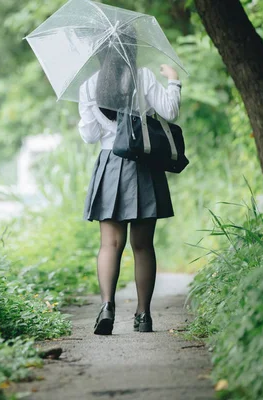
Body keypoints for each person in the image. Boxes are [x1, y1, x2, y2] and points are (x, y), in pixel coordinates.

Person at [78, 30, 182, 335]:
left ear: (100, 53)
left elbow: (89, 136)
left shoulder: (89, 86)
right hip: (143, 165)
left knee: (109, 244)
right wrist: (173, 80)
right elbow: (170, 111)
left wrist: (87, 116)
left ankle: (107, 306)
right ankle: (142, 316)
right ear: (131, 49)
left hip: (110, 165)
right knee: (142, 246)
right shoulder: (144, 77)